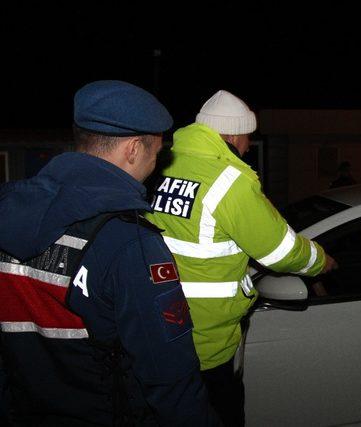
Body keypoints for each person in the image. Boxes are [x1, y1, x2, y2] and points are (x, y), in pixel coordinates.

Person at [0, 80, 217, 425]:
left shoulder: (8, 209)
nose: (156, 163)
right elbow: (169, 377)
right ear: (133, 149)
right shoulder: (130, 242)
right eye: (156, 152)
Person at [146, 89, 337, 426]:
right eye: (248, 137)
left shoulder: (164, 164)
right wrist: (322, 262)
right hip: (205, 334)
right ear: (233, 135)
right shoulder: (230, 181)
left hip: (156, 320)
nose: (249, 146)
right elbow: (281, 251)